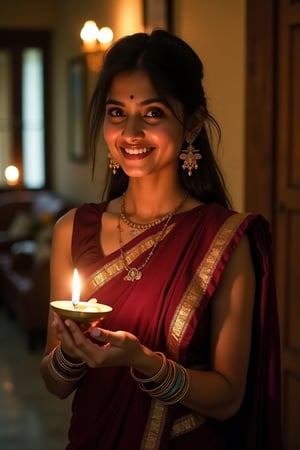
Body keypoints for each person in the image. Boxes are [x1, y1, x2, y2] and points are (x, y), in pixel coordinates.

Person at [40, 29, 282, 450]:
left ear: (192, 122)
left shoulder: (224, 238)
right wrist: (70, 353)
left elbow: (228, 399)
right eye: (117, 113)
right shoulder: (72, 229)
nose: (130, 132)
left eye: (152, 114)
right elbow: (56, 385)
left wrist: (144, 362)